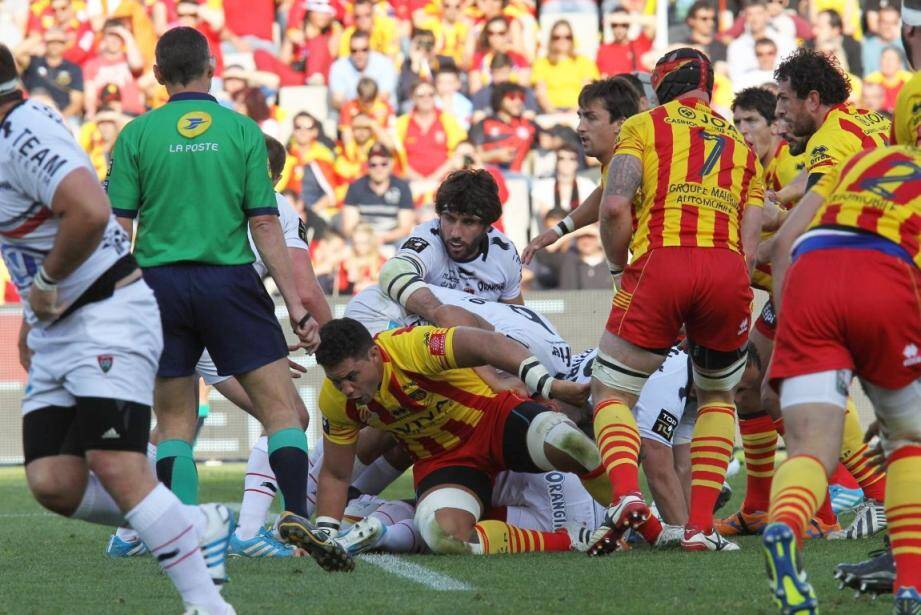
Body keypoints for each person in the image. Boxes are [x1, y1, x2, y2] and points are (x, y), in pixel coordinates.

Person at [103, 27, 349, 572]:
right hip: (230, 284)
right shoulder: (242, 133)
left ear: (159, 74)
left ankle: (180, 533)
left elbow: (117, 228)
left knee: (173, 423)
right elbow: (264, 222)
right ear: (212, 68)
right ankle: (297, 515)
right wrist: (298, 306)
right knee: (283, 409)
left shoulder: (136, 135)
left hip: (159, 286)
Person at [0, 44, 234, 614]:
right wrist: (36, 315)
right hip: (62, 322)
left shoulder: (21, 130)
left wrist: (48, 285)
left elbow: (91, 211)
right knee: (55, 483)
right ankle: (192, 520)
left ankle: (210, 606)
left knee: (116, 464)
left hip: (106, 312)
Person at [587, 48, 764, 555]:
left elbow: (616, 204)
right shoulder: (743, 145)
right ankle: (701, 528)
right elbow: (749, 247)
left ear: (662, 85)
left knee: (612, 393)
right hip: (728, 273)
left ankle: (624, 496)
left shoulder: (643, 127)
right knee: (717, 399)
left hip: (663, 262)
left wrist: (621, 268)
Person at [759, 79, 921, 615]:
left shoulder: (861, 161)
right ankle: (911, 586)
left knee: (809, 449)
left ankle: (784, 529)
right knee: (909, 442)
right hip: (887, 275)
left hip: (813, 274)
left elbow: (784, 241)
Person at [312, 318, 599, 556]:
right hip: (444, 461)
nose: (346, 388)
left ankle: (632, 512)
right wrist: (324, 535)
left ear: (374, 355)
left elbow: (485, 342)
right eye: (337, 381)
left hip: (490, 422)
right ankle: (571, 539)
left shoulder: (411, 347)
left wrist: (548, 385)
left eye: (351, 376)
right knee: (443, 536)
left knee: (569, 444)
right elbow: (336, 474)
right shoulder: (336, 401)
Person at [378, 168, 524, 334]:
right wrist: (442, 314)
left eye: (468, 222)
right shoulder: (427, 237)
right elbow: (392, 272)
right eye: (449, 218)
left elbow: (517, 322)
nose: (455, 233)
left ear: (487, 226)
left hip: (481, 348)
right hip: (428, 343)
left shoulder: (505, 253)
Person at [521, 77, 640, 265]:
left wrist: (618, 270)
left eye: (591, 118)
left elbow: (614, 207)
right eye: (580, 117)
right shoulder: (617, 163)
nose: (580, 128)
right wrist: (558, 231)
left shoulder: (630, 162)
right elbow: (604, 194)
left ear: (620, 124)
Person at [774, 48, 890, 193]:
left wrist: (778, 215)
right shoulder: (871, 115)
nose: (778, 110)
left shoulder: (825, 138)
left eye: (784, 99)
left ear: (813, 100)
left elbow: (814, 211)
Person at [396, 80, 467, 198]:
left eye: (431, 94)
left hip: (444, 183)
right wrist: (418, 179)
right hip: (411, 184)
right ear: (413, 98)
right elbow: (396, 156)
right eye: (421, 95)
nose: (426, 98)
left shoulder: (448, 120)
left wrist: (434, 178)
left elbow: (459, 152)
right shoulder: (402, 123)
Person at [341, 143, 415, 246]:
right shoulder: (355, 187)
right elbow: (348, 228)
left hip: (393, 240)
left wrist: (383, 238)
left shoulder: (402, 187)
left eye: (383, 164)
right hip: (362, 240)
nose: (378, 168)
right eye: (373, 165)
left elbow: (405, 227)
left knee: (406, 245)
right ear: (367, 166)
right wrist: (366, 239)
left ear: (391, 164)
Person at [14, 27, 84, 121]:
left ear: (65, 45)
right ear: (46, 43)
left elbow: (76, 102)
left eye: (59, 42)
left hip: (62, 116)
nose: (55, 45)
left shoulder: (73, 69)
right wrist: (40, 36)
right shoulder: (34, 62)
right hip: (33, 114)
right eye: (51, 42)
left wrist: (60, 119)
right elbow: (16, 52)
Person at [531, 19, 599, 113]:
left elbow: (586, 91)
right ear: (551, 40)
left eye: (567, 37)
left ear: (572, 39)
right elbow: (541, 93)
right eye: (557, 37)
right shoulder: (542, 63)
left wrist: (574, 112)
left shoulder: (585, 62)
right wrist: (553, 113)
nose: (562, 41)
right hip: (550, 112)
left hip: (579, 112)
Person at [469, 82, 538, 173]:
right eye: (512, 97)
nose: (518, 102)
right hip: (491, 176)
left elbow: (547, 141)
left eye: (521, 98)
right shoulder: (484, 124)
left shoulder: (528, 124)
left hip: (521, 178)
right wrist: (493, 155)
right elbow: (472, 155)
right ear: (500, 99)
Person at [329, 30, 398, 110]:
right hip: (352, 114)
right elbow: (338, 99)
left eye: (364, 50)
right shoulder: (339, 67)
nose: (359, 55)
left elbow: (384, 96)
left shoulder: (384, 63)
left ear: (369, 49)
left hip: (380, 114)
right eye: (354, 51)